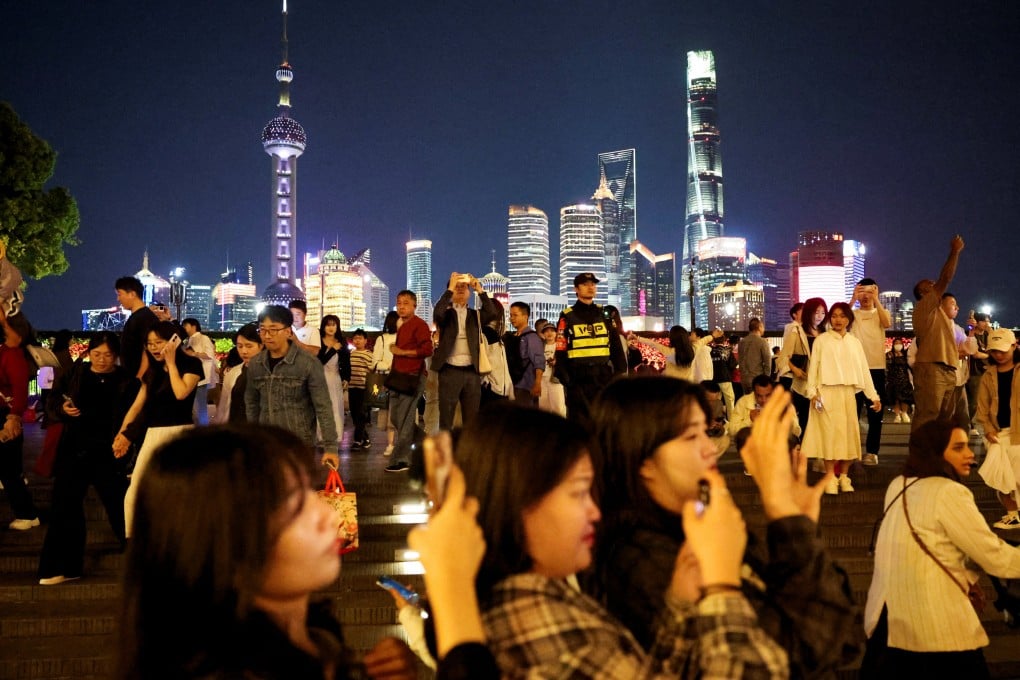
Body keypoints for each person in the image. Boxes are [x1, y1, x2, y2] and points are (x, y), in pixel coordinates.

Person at [116, 423, 496, 680]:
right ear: (219, 540)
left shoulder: (319, 642)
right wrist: (453, 587)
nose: (327, 516)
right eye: (295, 506)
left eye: (312, 493)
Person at [454, 401, 789, 678]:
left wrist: (678, 608)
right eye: (578, 493)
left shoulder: (542, 594)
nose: (593, 512)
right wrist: (722, 586)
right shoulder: (553, 635)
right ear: (518, 502)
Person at [588, 377, 861, 678]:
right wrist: (786, 517)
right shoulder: (644, 560)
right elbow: (800, 655)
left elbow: (843, 641)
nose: (709, 448)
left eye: (706, 432)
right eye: (691, 437)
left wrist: (798, 524)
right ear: (643, 458)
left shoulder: (704, 526)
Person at [862, 420, 1020, 678]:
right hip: (935, 626)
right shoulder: (949, 492)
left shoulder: (898, 485)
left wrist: (965, 576)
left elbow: (925, 544)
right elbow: (995, 557)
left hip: (887, 620)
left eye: (968, 446)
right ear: (935, 453)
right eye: (958, 448)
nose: (969, 454)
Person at [38, 332, 133, 584]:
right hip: (75, 448)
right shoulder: (76, 373)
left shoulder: (126, 381)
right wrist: (62, 408)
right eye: (97, 354)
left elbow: (134, 414)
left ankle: (141, 561)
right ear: (89, 353)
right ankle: (62, 567)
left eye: (108, 355)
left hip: (110, 452)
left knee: (120, 505)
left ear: (117, 356)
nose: (102, 360)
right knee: (65, 506)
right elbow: (53, 400)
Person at [114, 321, 203, 537]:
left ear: (174, 341)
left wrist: (171, 364)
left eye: (159, 342)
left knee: (180, 490)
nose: (154, 348)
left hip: (180, 433)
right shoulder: (151, 373)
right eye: (149, 343)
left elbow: (180, 393)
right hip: (153, 434)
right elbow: (137, 406)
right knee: (136, 490)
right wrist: (122, 432)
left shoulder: (191, 365)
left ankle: (183, 537)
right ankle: (137, 541)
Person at [802, 302, 881, 494]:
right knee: (829, 435)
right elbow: (814, 368)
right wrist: (812, 393)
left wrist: (873, 396)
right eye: (835, 316)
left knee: (848, 435)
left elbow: (864, 370)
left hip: (847, 394)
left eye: (842, 316)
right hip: (826, 392)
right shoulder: (822, 340)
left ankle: (844, 476)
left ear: (848, 319)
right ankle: (830, 476)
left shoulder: (854, 342)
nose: (838, 320)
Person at [246, 306, 339, 467]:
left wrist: (330, 447)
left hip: (298, 443)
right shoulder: (256, 364)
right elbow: (252, 403)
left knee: (296, 490)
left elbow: (323, 406)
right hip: (266, 443)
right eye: (262, 330)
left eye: (273, 330)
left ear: (289, 331)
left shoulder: (308, 363)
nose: (267, 336)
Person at [432, 272, 500, 431]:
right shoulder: (447, 315)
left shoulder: (475, 315)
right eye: (457, 287)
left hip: (472, 371)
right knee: (446, 418)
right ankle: (447, 451)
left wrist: (480, 290)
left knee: (472, 419)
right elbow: (437, 313)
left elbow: (492, 313)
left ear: (470, 292)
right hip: (449, 370)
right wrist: (449, 290)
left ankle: (467, 453)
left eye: (464, 287)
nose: (461, 289)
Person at [555, 272, 627, 422]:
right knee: (578, 424)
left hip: (603, 377)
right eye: (585, 284)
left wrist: (618, 373)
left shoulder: (605, 314)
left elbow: (616, 346)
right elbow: (561, 348)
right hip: (578, 379)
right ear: (576, 289)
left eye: (593, 284)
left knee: (603, 422)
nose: (590, 287)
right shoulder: (567, 316)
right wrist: (567, 379)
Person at [911, 235, 965, 431]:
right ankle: (920, 459)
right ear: (924, 293)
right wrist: (955, 251)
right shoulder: (924, 306)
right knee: (927, 417)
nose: (935, 285)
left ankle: (937, 459)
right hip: (932, 368)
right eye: (930, 285)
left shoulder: (940, 314)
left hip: (947, 368)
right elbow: (946, 278)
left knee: (943, 421)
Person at [384, 290, 434, 473]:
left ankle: (401, 459)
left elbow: (427, 349)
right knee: (397, 418)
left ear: (414, 305)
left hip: (413, 376)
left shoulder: (419, 325)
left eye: (406, 303)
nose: (401, 306)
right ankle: (427, 443)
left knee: (404, 420)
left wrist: (401, 352)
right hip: (399, 376)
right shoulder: (402, 324)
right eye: (399, 303)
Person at [975, 328, 1020, 530]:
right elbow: (982, 408)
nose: (999, 355)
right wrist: (988, 428)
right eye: (994, 351)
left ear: (1014, 346)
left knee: (1018, 477)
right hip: (999, 433)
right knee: (1002, 477)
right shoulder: (988, 376)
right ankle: (1012, 514)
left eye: (1003, 350)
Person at [0, 309, 40, 529]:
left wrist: (13, 416)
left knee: (9, 469)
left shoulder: (10, 353)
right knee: (9, 468)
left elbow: (19, 388)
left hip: (5, 417)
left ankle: (27, 514)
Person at [849, 279, 892, 465]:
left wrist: (877, 300)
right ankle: (850, 451)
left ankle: (872, 452)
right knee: (852, 413)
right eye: (862, 292)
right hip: (855, 370)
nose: (865, 296)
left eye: (869, 292)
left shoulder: (881, 313)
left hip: (876, 369)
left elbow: (887, 323)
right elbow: (836, 320)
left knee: (876, 414)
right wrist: (852, 298)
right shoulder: (853, 314)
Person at [778, 297, 826, 438]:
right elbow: (784, 356)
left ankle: (814, 448)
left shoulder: (825, 332)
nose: (819, 316)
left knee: (818, 415)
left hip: (820, 380)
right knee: (802, 415)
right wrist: (795, 369)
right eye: (816, 312)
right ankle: (799, 448)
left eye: (823, 313)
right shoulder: (796, 330)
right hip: (801, 381)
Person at [214, 323, 262, 424]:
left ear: (261, 346)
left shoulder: (271, 372)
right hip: (237, 428)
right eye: (240, 346)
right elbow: (224, 406)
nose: (244, 351)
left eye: (249, 346)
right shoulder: (233, 373)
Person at [115, 276, 158, 381]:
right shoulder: (139, 316)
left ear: (132, 294)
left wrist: (139, 377)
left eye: (120, 294)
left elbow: (149, 349)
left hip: (139, 378)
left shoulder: (143, 318)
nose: (118, 299)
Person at [318, 314, 351, 443]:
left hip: (336, 378)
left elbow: (346, 362)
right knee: (322, 406)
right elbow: (320, 361)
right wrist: (332, 349)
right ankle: (321, 436)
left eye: (334, 325)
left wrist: (347, 378)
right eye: (328, 325)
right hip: (321, 378)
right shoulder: (319, 340)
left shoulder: (342, 342)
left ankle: (335, 436)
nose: (331, 328)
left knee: (336, 407)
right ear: (323, 327)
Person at [506, 301, 544, 406]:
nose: (512, 318)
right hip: (512, 384)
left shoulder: (532, 337)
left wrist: (537, 383)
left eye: (515, 315)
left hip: (526, 386)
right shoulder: (512, 336)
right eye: (510, 315)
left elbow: (539, 361)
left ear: (525, 316)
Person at [372, 311, 399, 456]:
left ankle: (397, 444)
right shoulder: (381, 339)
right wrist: (388, 366)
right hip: (387, 380)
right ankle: (390, 444)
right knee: (389, 412)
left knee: (400, 412)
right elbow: (374, 363)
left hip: (403, 378)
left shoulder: (405, 337)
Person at [182, 318, 217, 426]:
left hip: (202, 377)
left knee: (201, 404)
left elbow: (209, 355)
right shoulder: (188, 340)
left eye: (185, 326)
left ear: (193, 326)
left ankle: (203, 428)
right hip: (192, 376)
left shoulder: (203, 338)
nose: (184, 328)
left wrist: (194, 354)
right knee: (195, 405)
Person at [628, 325, 695, 380]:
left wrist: (637, 338)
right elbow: (703, 340)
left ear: (673, 339)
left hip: (673, 387)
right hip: (687, 387)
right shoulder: (693, 351)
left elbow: (653, 344)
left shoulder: (669, 352)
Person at [347, 329, 374, 450]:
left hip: (363, 389)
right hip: (352, 387)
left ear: (365, 341)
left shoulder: (369, 354)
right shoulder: (351, 353)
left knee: (360, 415)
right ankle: (366, 439)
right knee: (354, 414)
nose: (357, 341)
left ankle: (357, 440)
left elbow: (372, 370)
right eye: (355, 338)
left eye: (360, 338)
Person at [535, 319, 566, 417]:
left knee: (558, 408)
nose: (549, 333)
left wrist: (557, 362)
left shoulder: (560, 346)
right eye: (546, 331)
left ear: (556, 333)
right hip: (542, 380)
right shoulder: (539, 347)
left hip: (555, 380)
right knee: (544, 408)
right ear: (543, 334)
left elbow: (566, 360)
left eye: (552, 330)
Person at [737, 318, 772, 395]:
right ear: (759, 327)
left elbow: (740, 360)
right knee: (758, 404)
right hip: (758, 380)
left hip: (744, 379)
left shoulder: (742, 342)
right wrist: (766, 379)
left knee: (748, 403)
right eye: (763, 326)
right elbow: (767, 362)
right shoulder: (762, 341)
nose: (764, 329)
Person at [886, 338, 914, 424]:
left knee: (905, 398)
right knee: (896, 399)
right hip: (893, 379)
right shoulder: (890, 354)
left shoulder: (905, 355)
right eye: (896, 343)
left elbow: (910, 365)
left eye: (900, 343)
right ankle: (897, 415)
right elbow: (888, 366)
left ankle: (904, 413)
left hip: (904, 379)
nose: (898, 345)